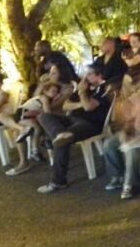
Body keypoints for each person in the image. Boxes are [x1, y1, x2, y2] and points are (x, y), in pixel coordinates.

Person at [37, 65, 111, 193]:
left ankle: (58, 182)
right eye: (85, 75)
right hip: (72, 120)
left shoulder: (104, 90)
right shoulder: (85, 88)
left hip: (90, 124)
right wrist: (81, 102)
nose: (85, 78)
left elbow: (88, 107)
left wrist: (82, 93)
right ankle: (60, 133)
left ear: (99, 76)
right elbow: (66, 105)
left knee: (62, 142)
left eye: (89, 75)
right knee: (44, 116)